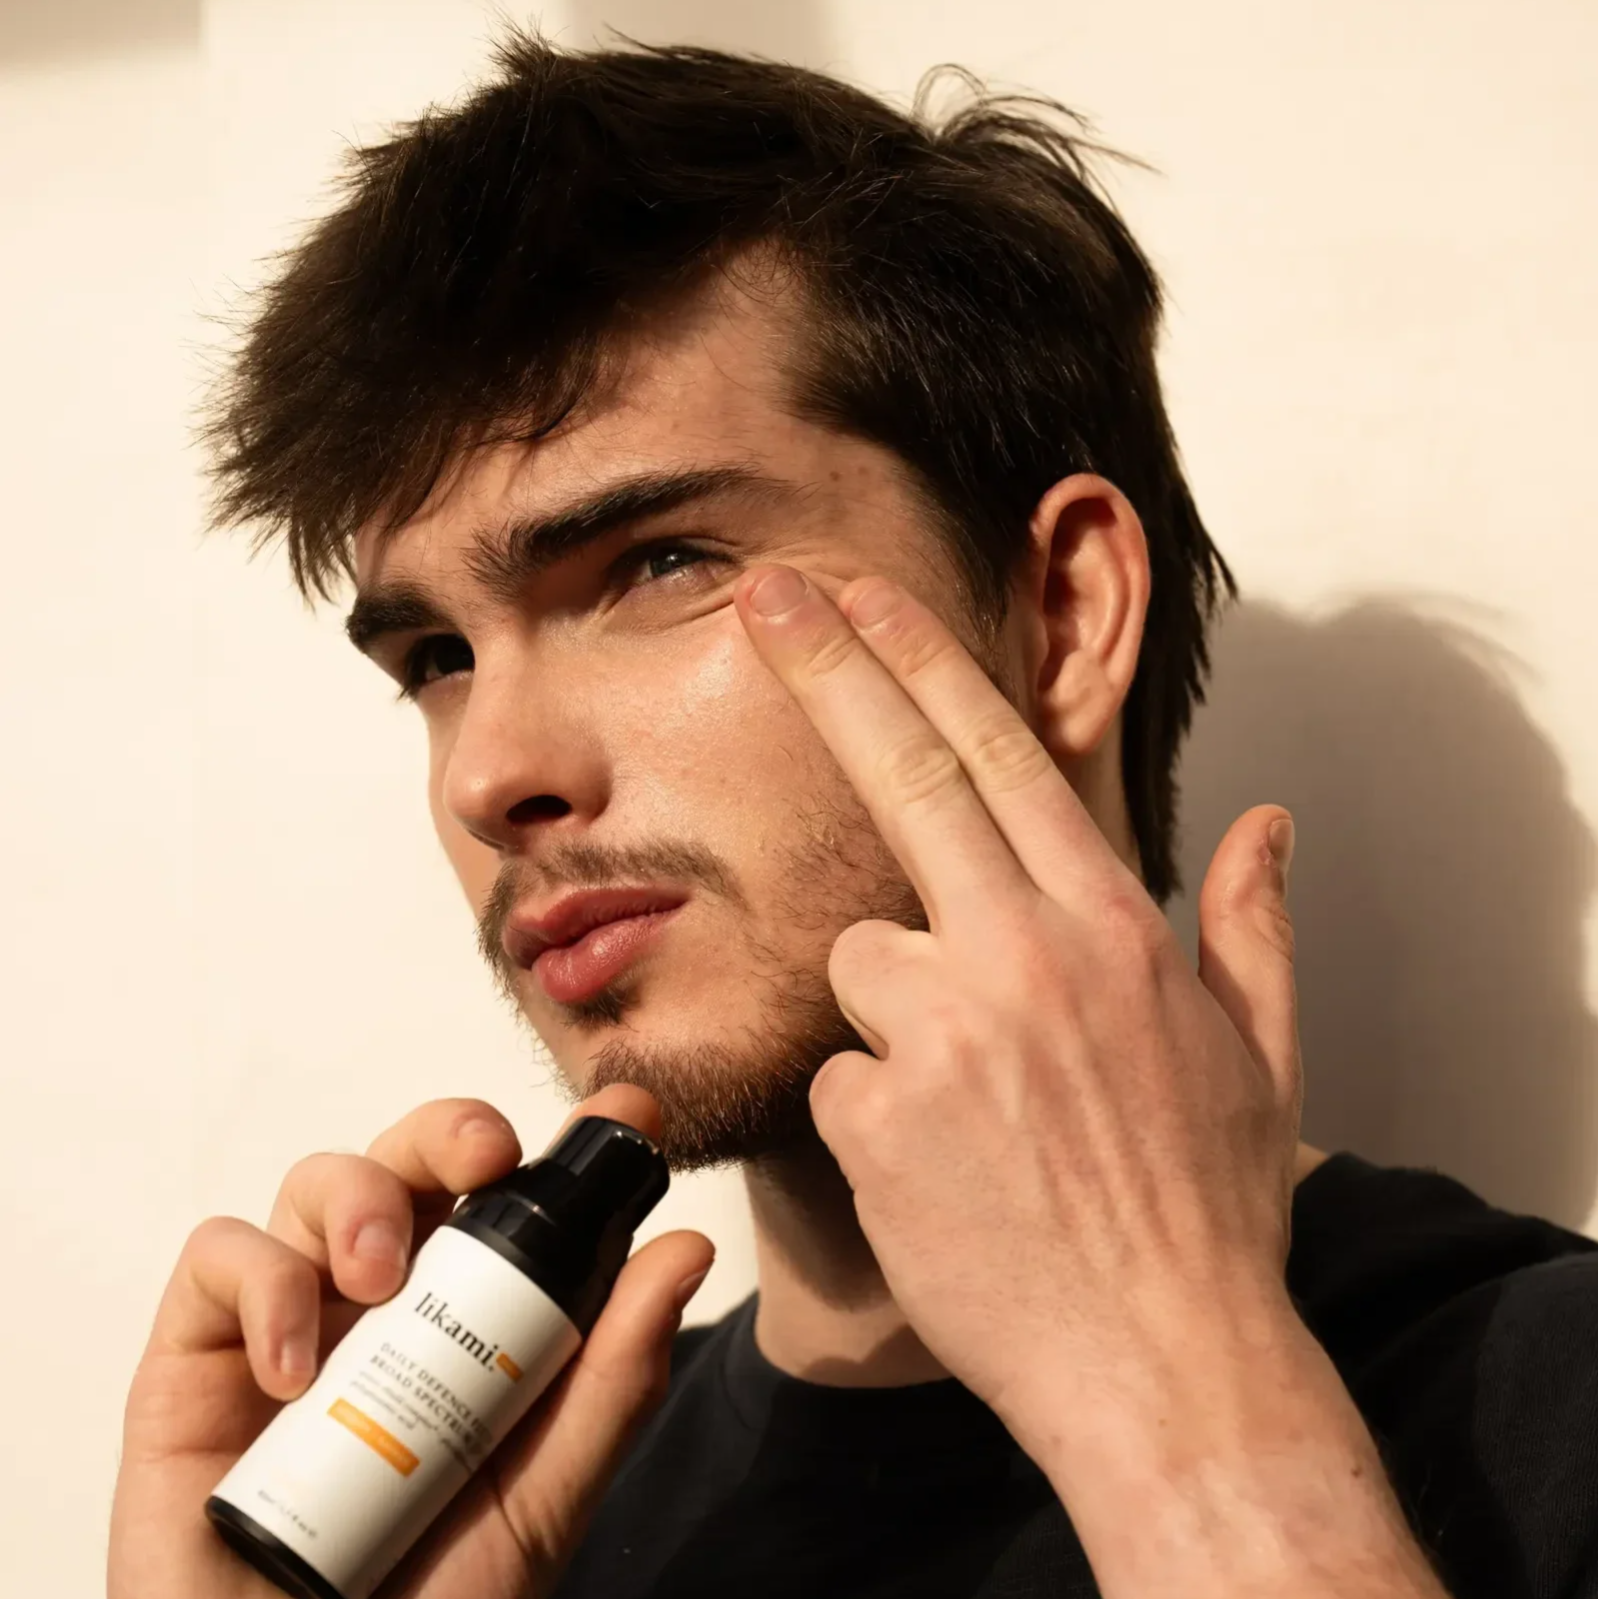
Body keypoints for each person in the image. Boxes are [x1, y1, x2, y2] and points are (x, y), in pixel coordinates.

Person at [109, 32, 1595, 1600]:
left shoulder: (1550, 1402)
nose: (491, 774)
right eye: (437, 658)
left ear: (1065, 612)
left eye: (661, 564)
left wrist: (1184, 1417)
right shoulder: (511, 1530)